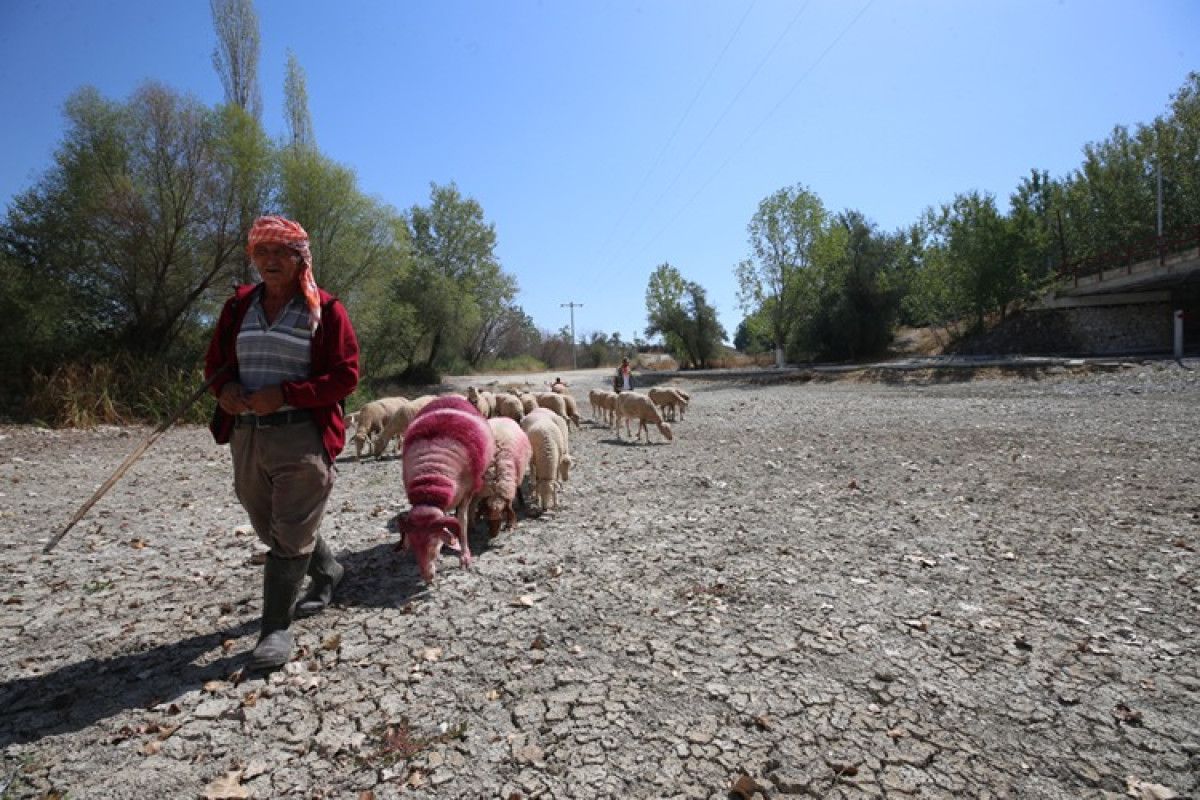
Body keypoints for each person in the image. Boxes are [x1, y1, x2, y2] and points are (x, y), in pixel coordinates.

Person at [205, 215, 360, 671]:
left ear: (300, 259)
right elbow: (215, 364)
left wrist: (288, 394)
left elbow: (345, 376)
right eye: (262, 252)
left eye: (281, 253)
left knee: (290, 529)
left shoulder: (325, 310)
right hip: (247, 434)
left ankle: (275, 628)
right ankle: (328, 569)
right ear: (253, 258)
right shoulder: (239, 308)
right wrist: (224, 390)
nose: (270, 261)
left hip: (301, 435)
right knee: (268, 523)